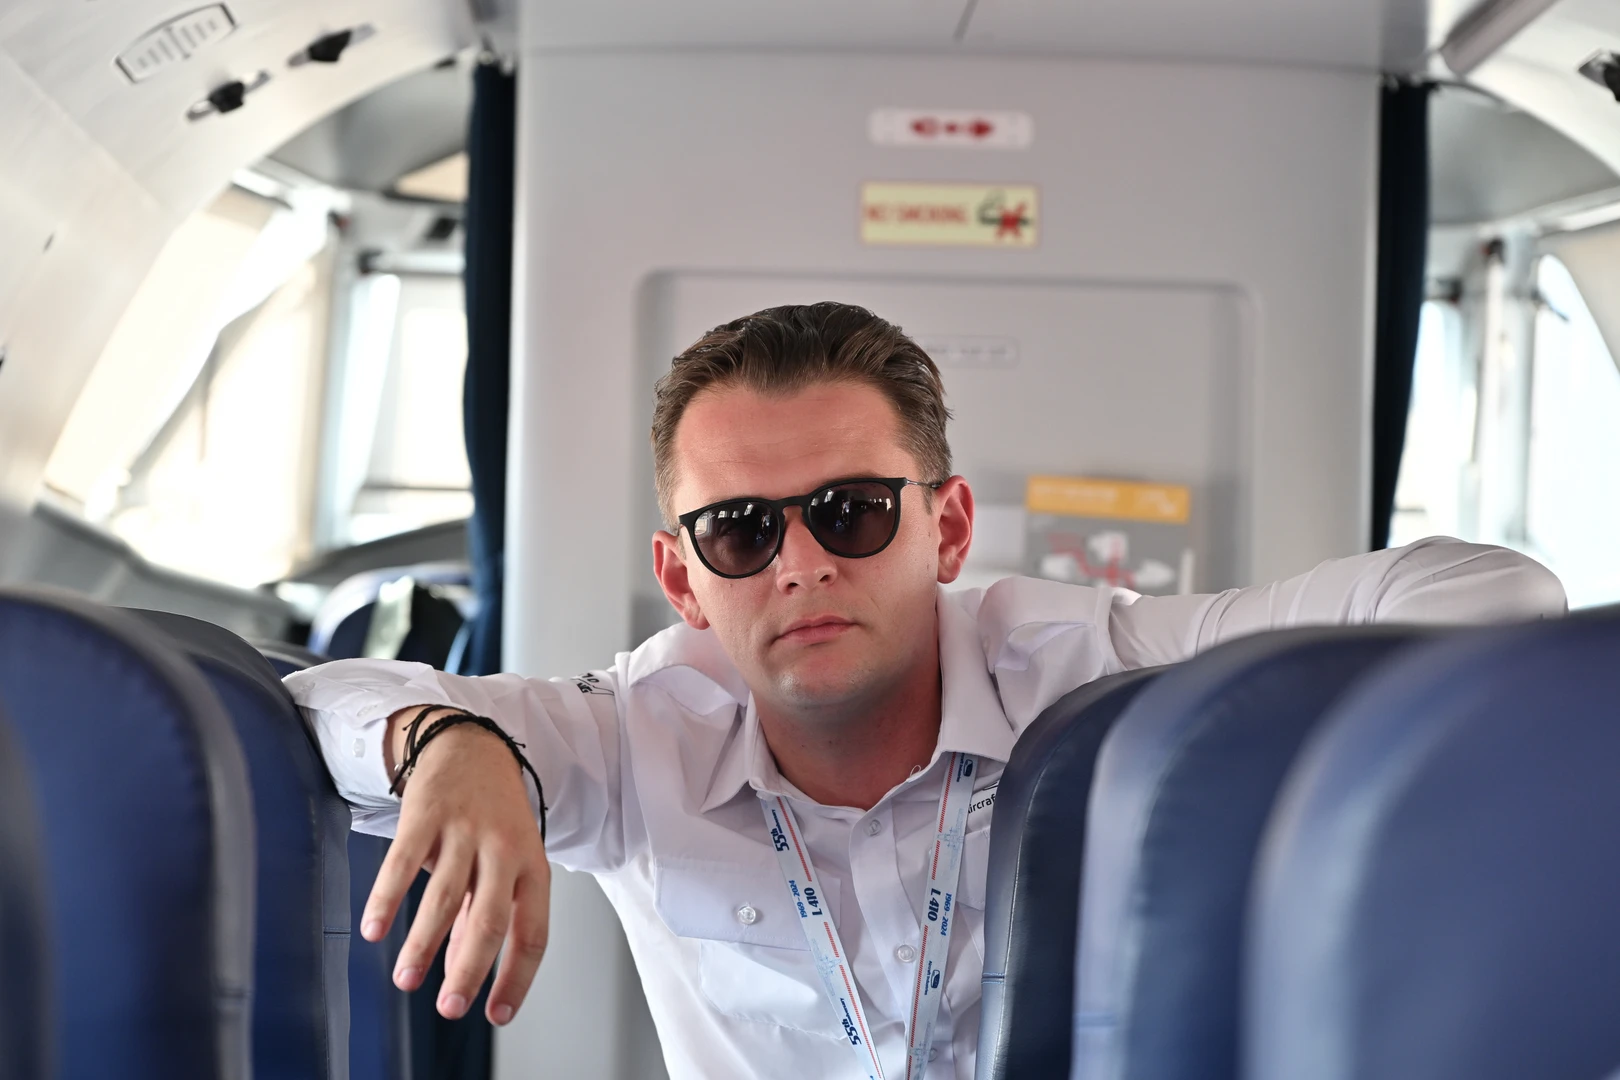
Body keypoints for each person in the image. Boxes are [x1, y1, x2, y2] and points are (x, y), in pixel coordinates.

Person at [287, 302, 1565, 1080]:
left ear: (946, 530)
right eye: (740, 530)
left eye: (850, 510)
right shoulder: (633, 736)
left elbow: (1492, 591)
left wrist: (1263, 743)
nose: (801, 565)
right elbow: (311, 701)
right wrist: (449, 738)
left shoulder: (1088, 668)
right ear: (684, 580)